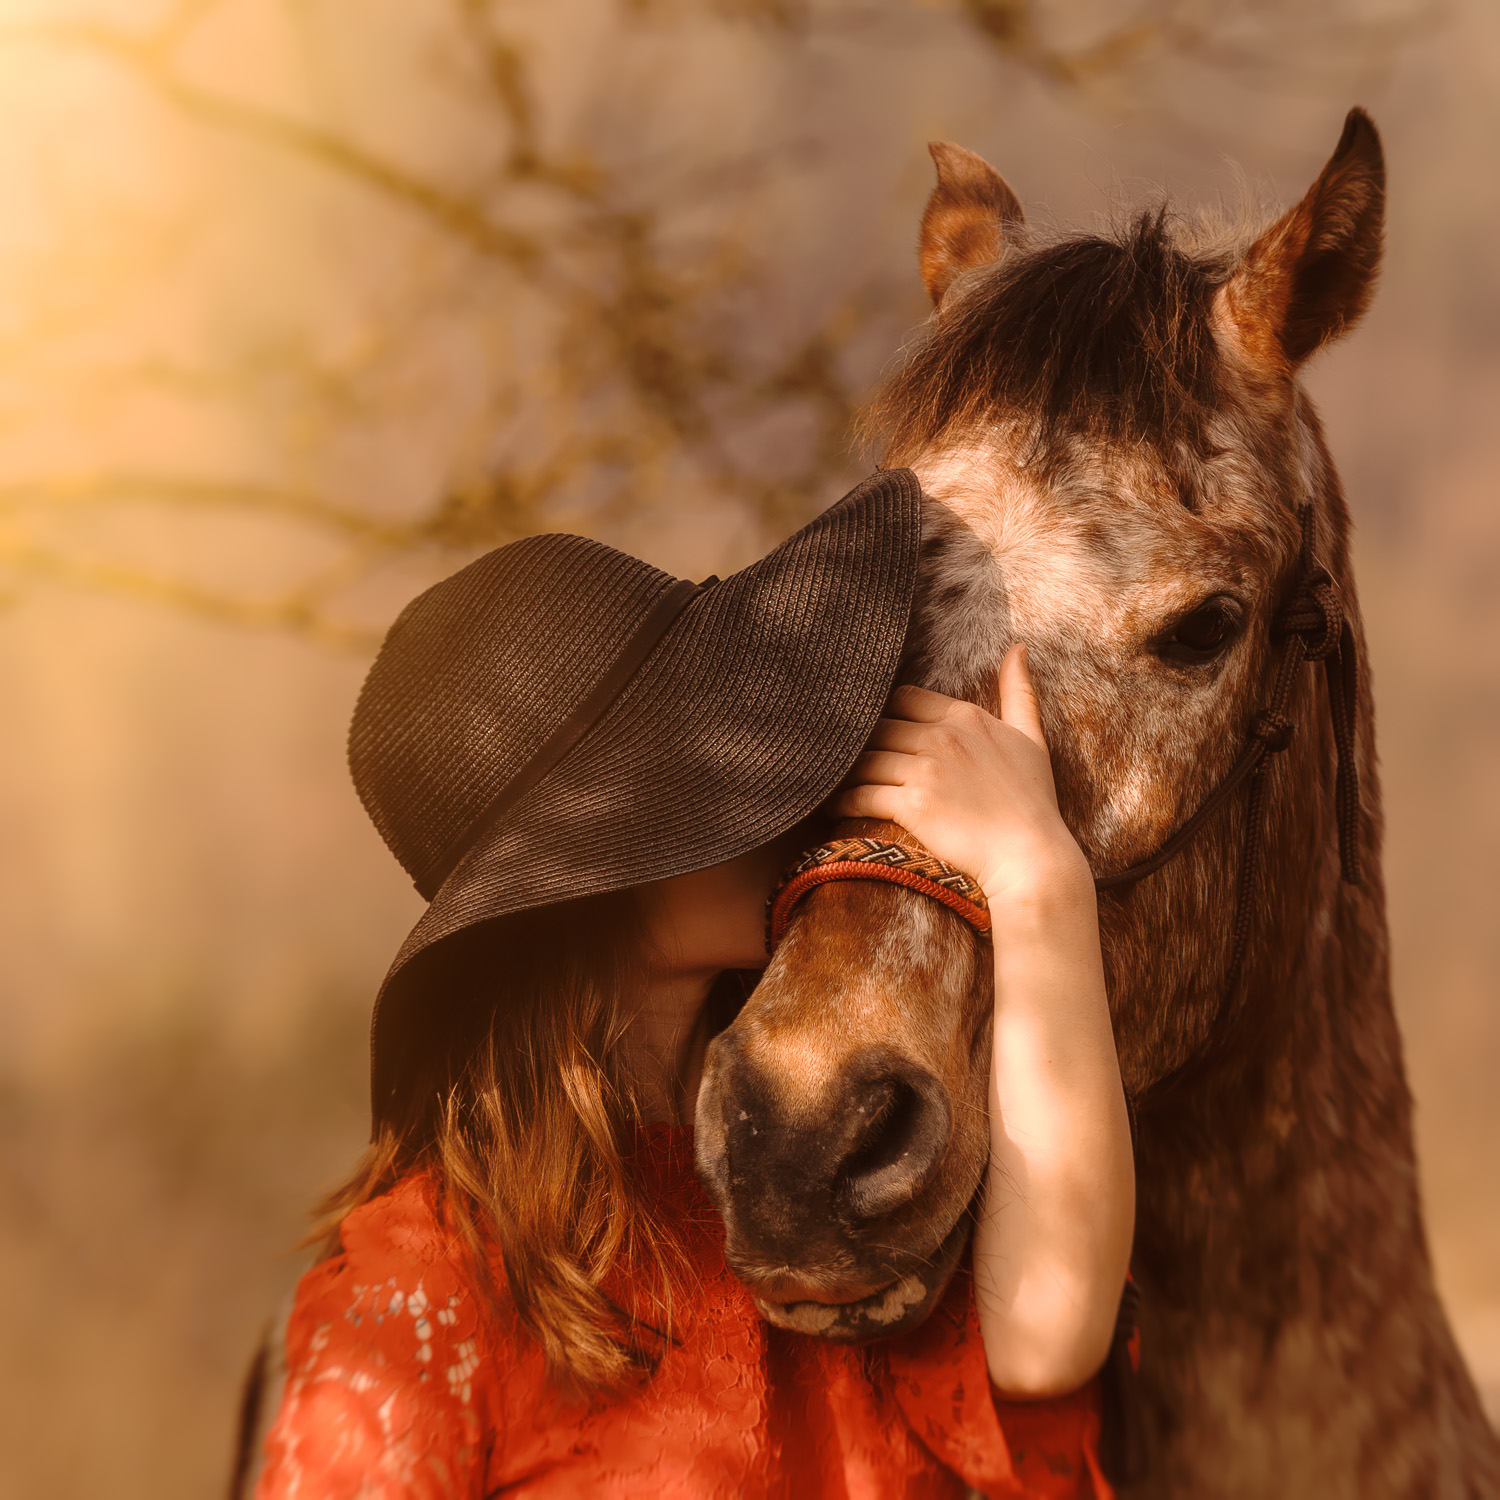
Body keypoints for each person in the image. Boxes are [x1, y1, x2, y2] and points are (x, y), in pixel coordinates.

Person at [249, 469, 1135, 1499]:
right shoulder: (425, 1289)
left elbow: (1046, 1336)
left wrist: (1038, 881)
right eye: (714, 765)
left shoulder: (819, 1174)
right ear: (597, 880)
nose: (802, 787)